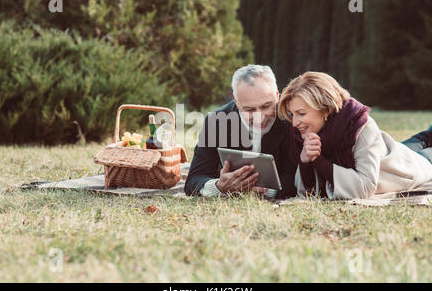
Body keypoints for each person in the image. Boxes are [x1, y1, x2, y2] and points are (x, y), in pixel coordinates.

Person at [277, 71, 432, 199]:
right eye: (292, 115)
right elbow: (309, 194)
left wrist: (318, 161)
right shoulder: (304, 135)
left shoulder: (358, 125)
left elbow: (364, 188)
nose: (295, 123)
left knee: (426, 151)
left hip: (412, 166)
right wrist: (305, 162)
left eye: (301, 114)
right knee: (422, 139)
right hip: (390, 152)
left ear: (324, 108)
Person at [184, 65, 297, 199]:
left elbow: (295, 179)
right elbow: (193, 180)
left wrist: (264, 191)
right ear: (237, 103)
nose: (259, 118)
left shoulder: (292, 120)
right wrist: (219, 186)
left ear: (277, 96)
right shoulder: (217, 121)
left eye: (266, 106)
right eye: (249, 109)